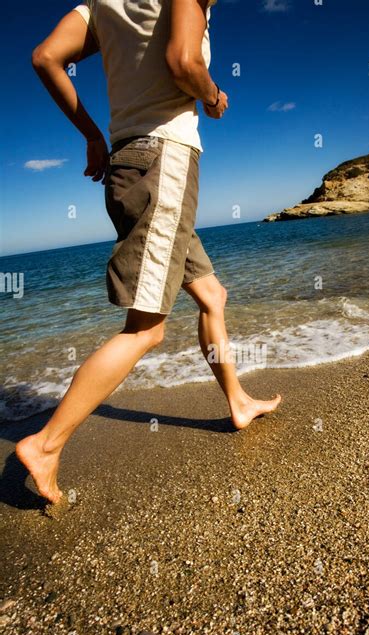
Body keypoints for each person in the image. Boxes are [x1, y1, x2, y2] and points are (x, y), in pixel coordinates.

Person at [16, 0, 281, 505]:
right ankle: (45, 445)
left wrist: (93, 135)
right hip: (165, 163)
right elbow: (183, 62)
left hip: (129, 164)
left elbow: (44, 56)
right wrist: (215, 96)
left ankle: (238, 401)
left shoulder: (99, 4)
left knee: (212, 296)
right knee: (147, 328)